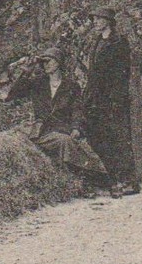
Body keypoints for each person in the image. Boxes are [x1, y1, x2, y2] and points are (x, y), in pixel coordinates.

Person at [12, 47, 108, 186]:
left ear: (58, 63)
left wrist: (76, 128)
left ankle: (94, 179)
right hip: (42, 131)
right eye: (43, 62)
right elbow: (13, 95)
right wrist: (26, 72)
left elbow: (77, 110)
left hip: (63, 127)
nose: (45, 65)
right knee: (64, 142)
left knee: (73, 144)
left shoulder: (71, 86)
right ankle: (95, 179)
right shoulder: (37, 83)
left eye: (48, 61)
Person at [78, 6, 140, 197]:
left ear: (108, 21)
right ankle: (114, 179)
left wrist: (116, 99)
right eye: (94, 19)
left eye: (98, 19)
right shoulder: (96, 42)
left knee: (120, 139)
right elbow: (93, 74)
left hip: (114, 100)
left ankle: (130, 181)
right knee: (101, 139)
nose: (95, 22)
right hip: (96, 99)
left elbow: (122, 74)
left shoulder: (118, 42)